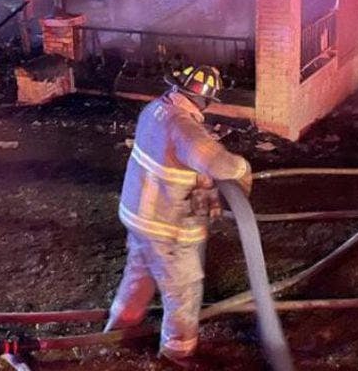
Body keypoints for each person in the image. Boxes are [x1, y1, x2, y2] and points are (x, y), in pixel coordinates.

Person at [104, 64, 253, 369]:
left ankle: (119, 331)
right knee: (184, 289)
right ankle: (177, 354)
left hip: (139, 218)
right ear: (206, 101)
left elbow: (174, 159)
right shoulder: (183, 128)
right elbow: (219, 163)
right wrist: (243, 170)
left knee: (139, 277)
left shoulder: (155, 110)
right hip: (166, 228)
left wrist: (202, 184)